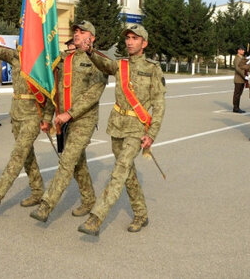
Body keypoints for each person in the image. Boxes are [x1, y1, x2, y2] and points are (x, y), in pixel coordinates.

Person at [77, 23, 166, 236]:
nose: (129, 41)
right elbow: (104, 63)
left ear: (144, 43)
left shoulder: (153, 68)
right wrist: (90, 51)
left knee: (119, 171)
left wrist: (151, 134)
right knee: (127, 173)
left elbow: (159, 105)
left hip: (137, 129)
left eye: (134, 38)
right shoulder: (121, 64)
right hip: (117, 126)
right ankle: (141, 213)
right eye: (127, 38)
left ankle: (96, 217)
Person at [30, 21, 107, 223]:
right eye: (75, 31)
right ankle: (89, 200)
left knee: (66, 161)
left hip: (83, 119)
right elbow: (53, 90)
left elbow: (93, 94)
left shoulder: (97, 61)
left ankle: (46, 205)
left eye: (82, 32)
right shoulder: (65, 59)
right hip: (63, 120)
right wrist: (48, 117)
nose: (77, 34)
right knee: (76, 163)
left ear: (92, 37)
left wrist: (70, 114)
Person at [0, 33, 45, 209]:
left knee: (18, 154)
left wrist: (48, 118)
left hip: (33, 115)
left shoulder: (43, 62)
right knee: (27, 156)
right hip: (17, 115)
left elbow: (51, 93)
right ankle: (37, 192)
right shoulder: (16, 57)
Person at [232, 45, 247, 113]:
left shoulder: (242, 57)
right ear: (238, 50)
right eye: (242, 50)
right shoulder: (237, 58)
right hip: (238, 78)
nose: (244, 51)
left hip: (242, 79)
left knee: (239, 94)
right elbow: (238, 69)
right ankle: (236, 108)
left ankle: (237, 107)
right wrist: (244, 76)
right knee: (237, 94)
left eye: (244, 50)